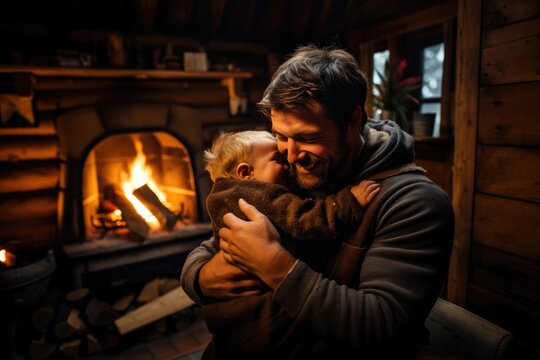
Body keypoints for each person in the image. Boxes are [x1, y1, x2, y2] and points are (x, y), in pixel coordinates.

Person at [181, 45, 454, 359]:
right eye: (281, 136)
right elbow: (216, 238)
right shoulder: (292, 169)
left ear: (352, 120)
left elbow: (381, 327)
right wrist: (201, 278)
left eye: (306, 137)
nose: (290, 155)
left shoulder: (414, 202)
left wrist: (274, 266)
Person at [201, 129, 380, 354]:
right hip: (262, 313)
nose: (288, 165)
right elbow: (305, 219)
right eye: (278, 159)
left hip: (229, 314)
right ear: (246, 172)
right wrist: (348, 202)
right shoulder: (260, 194)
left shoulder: (223, 197)